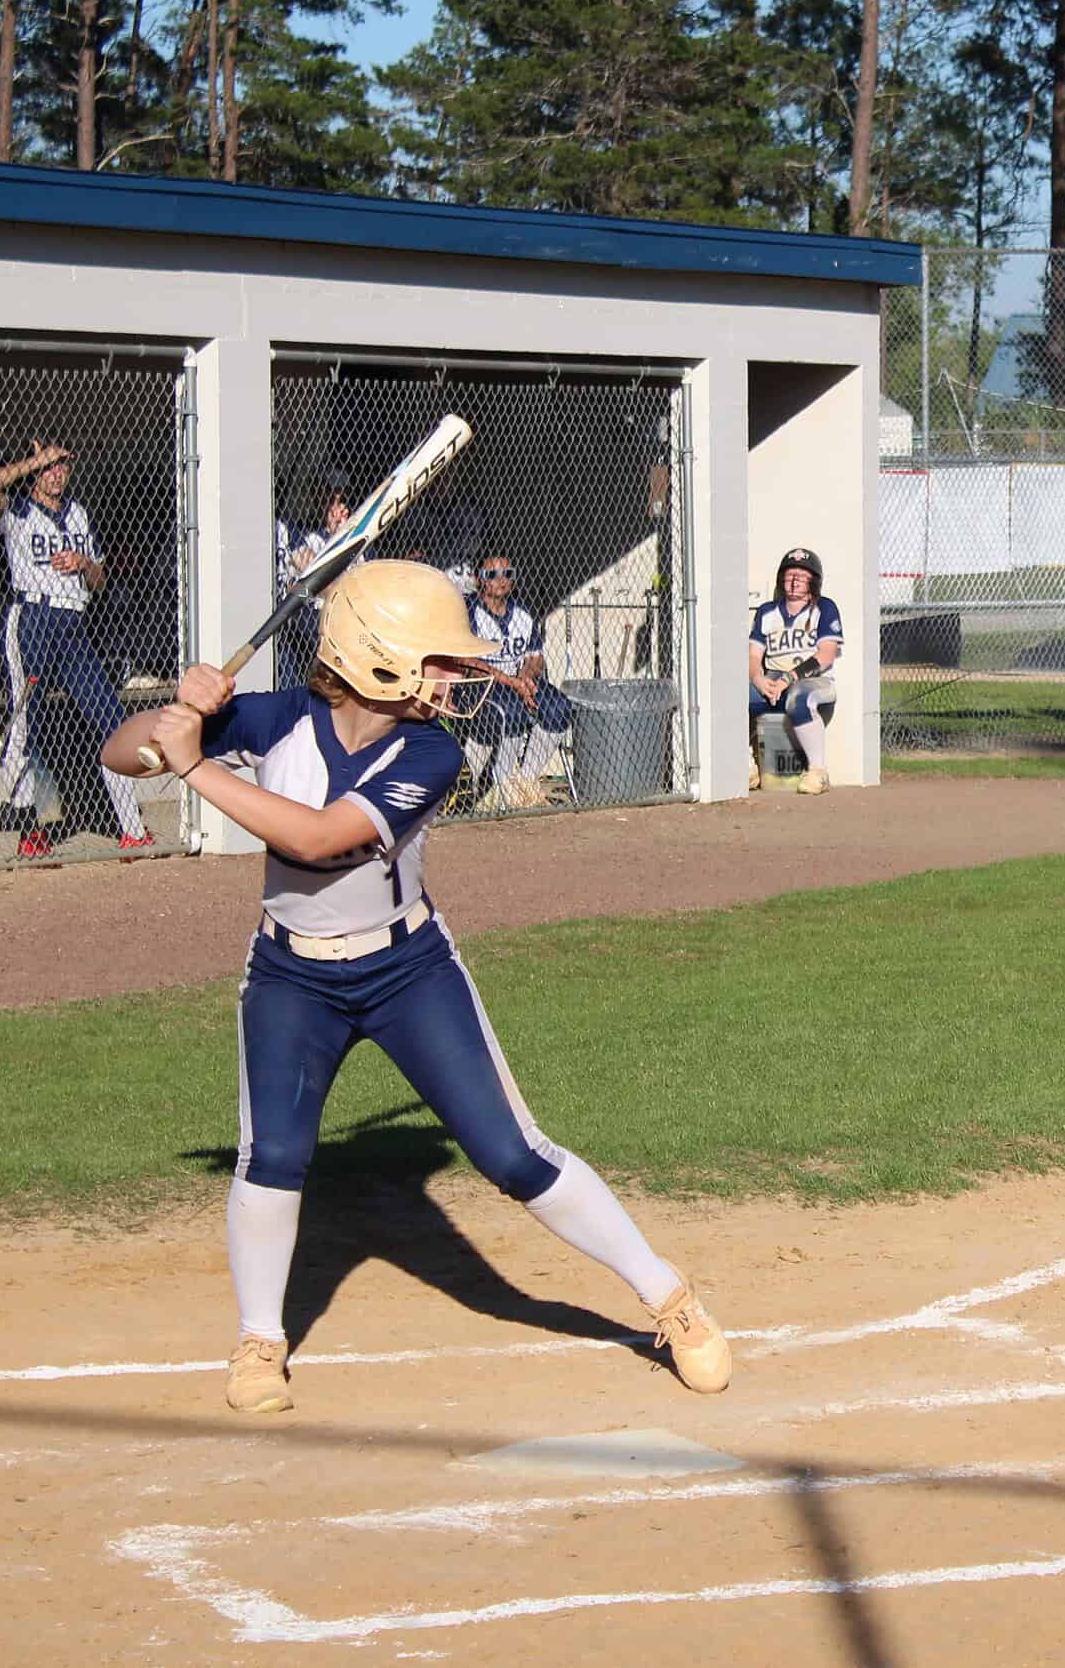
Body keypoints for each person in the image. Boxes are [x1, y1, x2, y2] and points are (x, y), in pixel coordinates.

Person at [98, 559, 730, 1413]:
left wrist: (198, 768)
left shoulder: (431, 748)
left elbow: (321, 840)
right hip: (291, 975)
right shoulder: (281, 716)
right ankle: (259, 1340)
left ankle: (668, 1298)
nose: (456, 675)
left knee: (512, 1154)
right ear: (376, 656)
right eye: (437, 660)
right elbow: (120, 751)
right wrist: (186, 710)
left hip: (408, 969)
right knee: (273, 1155)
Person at [0, 438, 153, 855]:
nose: (57, 473)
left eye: (62, 466)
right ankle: (29, 831)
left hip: (74, 626)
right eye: (50, 467)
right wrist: (37, 459)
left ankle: (132, 828)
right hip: (33, 620)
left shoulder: (78, 513)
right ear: (36, 470)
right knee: (28, 723)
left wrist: (84, 563)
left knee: (112, 718)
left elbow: (99, 582)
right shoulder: (19, 508)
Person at [465, 549, 573, 809]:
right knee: (511, 710)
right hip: (483, 684)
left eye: (507, 574)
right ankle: (500, 785)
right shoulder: (468, 610)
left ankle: (525, 781)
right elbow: (469, 665)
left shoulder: (521, 611)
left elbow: (536, 657)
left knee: (559, 706)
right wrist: (512, 682)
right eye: (492, 574)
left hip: (517, 681)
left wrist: (525, 677)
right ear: (479, 579)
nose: (501, 580)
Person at [748, 546, 841, 795]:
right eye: (790, 574)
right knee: (739, 695)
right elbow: (753, 655)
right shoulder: (767, 611)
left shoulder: (825, 608)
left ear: (814, 581)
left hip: (815, 681)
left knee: (800, 696)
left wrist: (791, 677)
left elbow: (826, 654)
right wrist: (757, 679)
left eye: (802, 575)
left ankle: (818, 772)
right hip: (774, 681)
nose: (794, 580)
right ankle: (748, 765)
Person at [274, 473, 355, 688]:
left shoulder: (356, 542)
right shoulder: (296, 534)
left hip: (339, 628)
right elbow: (306, 566)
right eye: (330, 500)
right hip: (303, 629)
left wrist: (341, 537)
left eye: (341, 501)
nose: (338, 509)